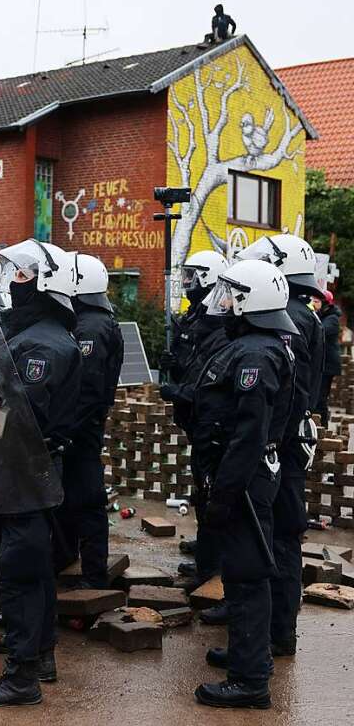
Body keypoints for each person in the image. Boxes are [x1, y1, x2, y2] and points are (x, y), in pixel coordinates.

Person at [0, 240, 81, 707]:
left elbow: (18, 416)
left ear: (46, 285)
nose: (12, 282)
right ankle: (40, 657)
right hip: (22, 473)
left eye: (22, 276)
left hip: (26, 473)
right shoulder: (31, 334)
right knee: (35, 570)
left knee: (21, 572)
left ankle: (22, 677)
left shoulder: (44, 345)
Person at [191, 259, 295, 709]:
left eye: (232, 294)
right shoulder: (257, 345)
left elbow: (248, 434)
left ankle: (250, 681)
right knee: (239, 570)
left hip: (246, 482)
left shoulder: (256, 354)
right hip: (243, 477)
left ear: (251, 301)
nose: (224, 302)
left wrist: (225, 494)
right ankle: (245, 654)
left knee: (248, 575)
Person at [235, 234, 324, 658]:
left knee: (280, 537)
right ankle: (274, 632)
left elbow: (287, 393)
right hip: (293, 439)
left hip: (282, 445)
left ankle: (275, 634)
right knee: (283, 535)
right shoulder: (304, 314)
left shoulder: (288, 317)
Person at [159, 250, 230, 612]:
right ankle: (206, 560)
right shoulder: (195, 319)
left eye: (193, 277)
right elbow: (191, 366)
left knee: (210, 495)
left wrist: (179, 390)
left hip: (208, 422)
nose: (188, 284)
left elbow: (209, 383)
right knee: (201, 493)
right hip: (194, 419)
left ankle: (212, 567)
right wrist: (174, 363)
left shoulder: (219, 326)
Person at [52, 253, 123, 588]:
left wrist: (65, 430)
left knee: (87, 499)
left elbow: (89, 389)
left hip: (82, 429)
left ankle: (94, 576)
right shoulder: (91, 321)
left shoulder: (92, 327)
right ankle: (66, 556)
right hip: (80, 427)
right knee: (69, 496)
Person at [314, 290, 341, 422]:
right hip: (323, 363)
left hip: (328, 364)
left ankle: (322, 425)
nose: (314, 303)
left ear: (325, 303)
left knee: (321, 396)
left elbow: (321, 331)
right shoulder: (324, 315)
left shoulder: (332, 319)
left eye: (317, 301)